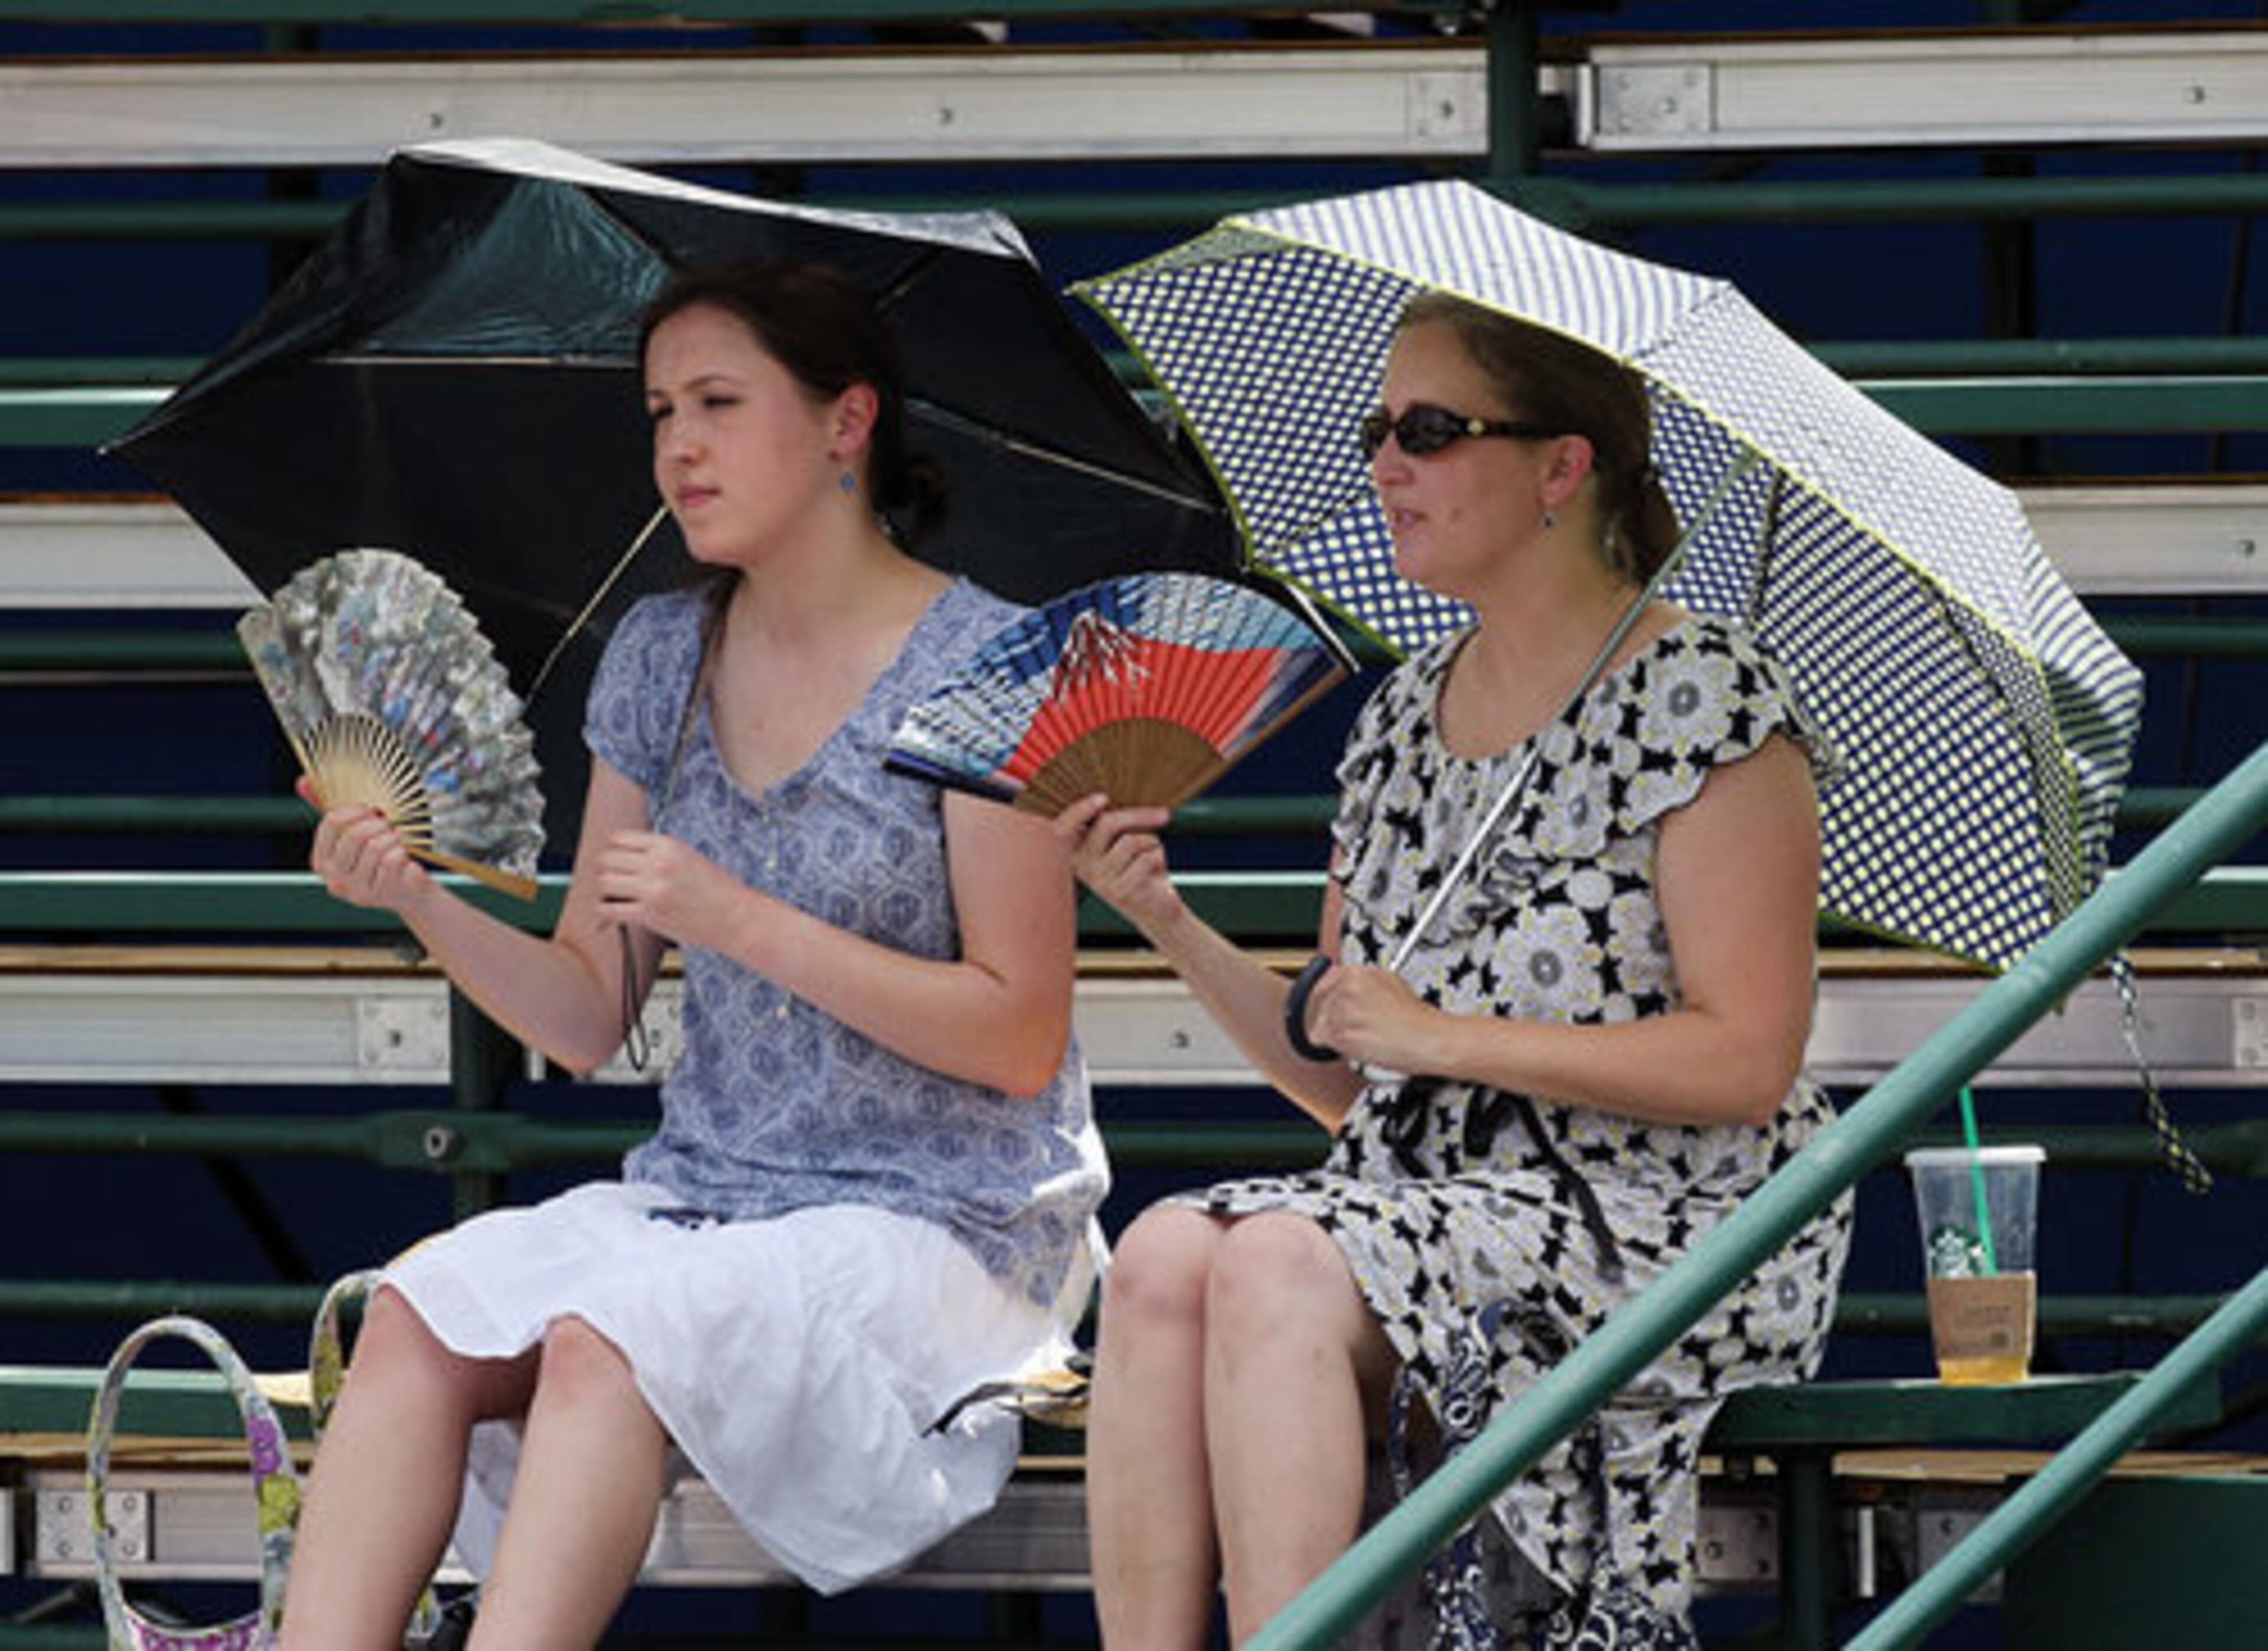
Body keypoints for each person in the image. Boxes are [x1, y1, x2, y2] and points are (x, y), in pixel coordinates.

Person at [279, 260, 1107, 1650]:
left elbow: (1020, 1034)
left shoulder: (995, 665)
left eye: (720, 403)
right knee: (417, 1314)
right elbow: (588, 1014)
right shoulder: (661, 654)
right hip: (710, 1203)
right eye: (662, 410)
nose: (679, 447)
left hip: (945, 1224)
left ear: (849, 426)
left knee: (613, 1340)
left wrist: (742, 921)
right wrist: (418, 898)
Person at [1056, 290, 1852, 1647]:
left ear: (1562, 465)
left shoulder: (1707, 696)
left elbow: (1747, 1059)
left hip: (1659, 1219)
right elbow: (1348, 1074)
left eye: (1428, 430)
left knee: (1276, 1267)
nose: (1384, 467)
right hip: (1426, 1205)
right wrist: (1170, 924)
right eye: (1378, 430)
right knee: (1162, 1257)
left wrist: (1447, 1038)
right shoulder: (1400, 720)